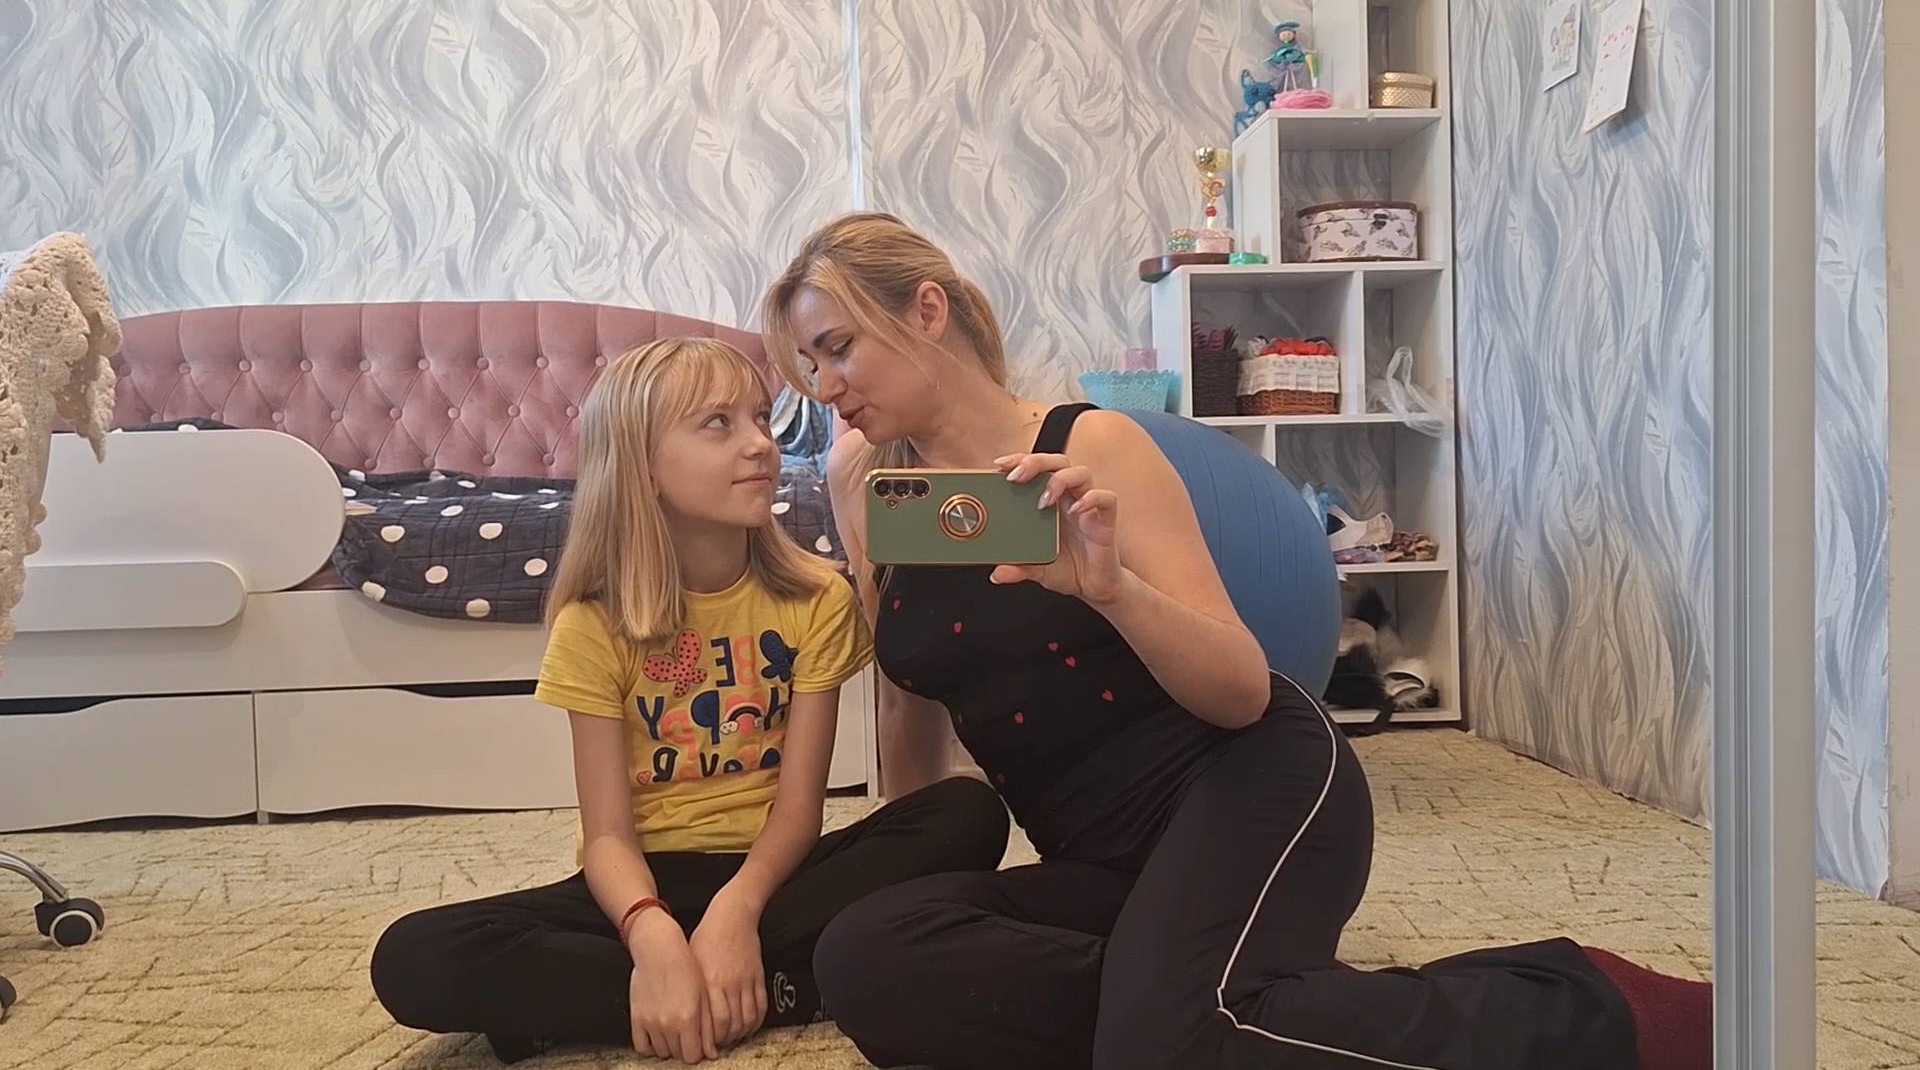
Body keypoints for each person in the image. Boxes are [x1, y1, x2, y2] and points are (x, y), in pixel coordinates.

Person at [759, 213, 1714, 1070]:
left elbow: (1240, 690)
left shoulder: (1094, 446)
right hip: (1100, 857)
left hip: (1250, 783)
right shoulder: (861, 482)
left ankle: (1595, 1004)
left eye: (839, 349)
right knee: (867, 958)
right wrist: (921, 872)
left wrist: (1113, 590)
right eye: (810, 365)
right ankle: (1230, 1002)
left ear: (927, 311)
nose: (827, 388)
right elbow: (908, 699)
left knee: (1164, 1044)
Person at [369, 337, 1008, 1065]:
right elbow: (607, 838)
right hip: (642, 885)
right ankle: (787, 987)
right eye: (718, 424)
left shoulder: (815, 600)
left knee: (967, 811)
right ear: (642, 465)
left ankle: (651, 1003)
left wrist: (737, 911)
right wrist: (652, 934)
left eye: (760, 419)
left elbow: (798, 810)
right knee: (412, 958)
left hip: (777, 877)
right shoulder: (595, 623)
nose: (760, 444)